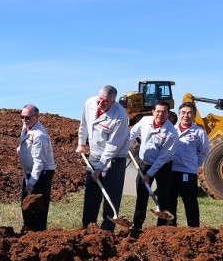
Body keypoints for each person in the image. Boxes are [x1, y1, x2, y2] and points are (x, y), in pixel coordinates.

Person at [76, 85, 130, 231]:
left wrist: (99, 168)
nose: (100, 103)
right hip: (94, 154)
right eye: (100, 99)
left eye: (105, 101)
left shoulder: (120, 116)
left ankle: (107, 229)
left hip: (114, 157)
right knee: (91, 191)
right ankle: (89, 225)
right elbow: (84, 124)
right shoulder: (89, 103)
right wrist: (81, 143)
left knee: (110, 193)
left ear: (113, 101)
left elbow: (113, 146)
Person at [129, 101, 177, 230]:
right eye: (158, 111)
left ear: (168, 114)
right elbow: (133, 132)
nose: (160, 114)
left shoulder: (171, 132)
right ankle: (137, 225)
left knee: (163, 196)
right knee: (142, 195)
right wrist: (127, 144)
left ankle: (161, 228)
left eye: (163, 112)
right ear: (153, 112)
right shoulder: (145, 121)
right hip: (144, 162)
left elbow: (163, 157)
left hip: (163, 166)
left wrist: (149, 174)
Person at [169, 102, 209, 227]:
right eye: (183, 113)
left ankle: (193, 228)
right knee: (170, 202)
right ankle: (170, 228)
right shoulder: (171, 130)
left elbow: (203, 152)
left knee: (190, 202)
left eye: (189, 113)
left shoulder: (199, 133)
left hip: (188, 173)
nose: (186, 116)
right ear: (179, 114)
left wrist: (192, 165)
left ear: (194, 115)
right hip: (171, 171)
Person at [17, 104, 55, 232]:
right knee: (25, 201)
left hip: (42, 173)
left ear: (37, 117)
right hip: (29, 171)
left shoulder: (40, 135)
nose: (24, 120)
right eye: (22, 117)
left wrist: (32, 182)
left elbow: (39, 162)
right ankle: (28, 228)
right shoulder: (26, 127)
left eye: (27, 118)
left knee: (38, 204)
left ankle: (38, 232)